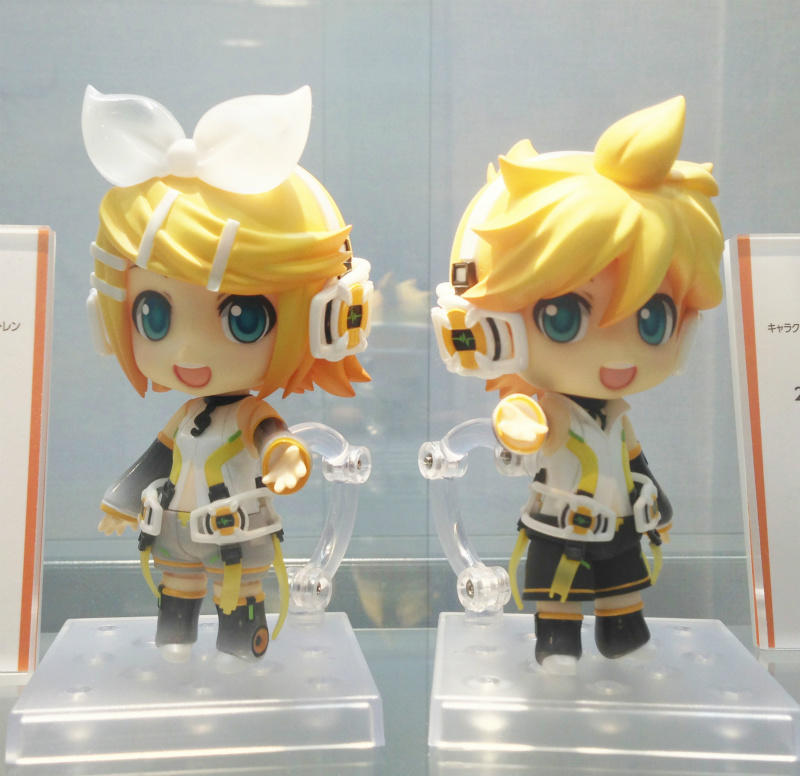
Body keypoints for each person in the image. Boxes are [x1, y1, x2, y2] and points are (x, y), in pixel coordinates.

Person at [432, 96, 723, 671]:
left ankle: (621, 631)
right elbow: (521, 422)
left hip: (620, 526)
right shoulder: (550, 408)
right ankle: (557, 641)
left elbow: (634, 461)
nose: (618, 351)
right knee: (558, 603)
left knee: (623, 600)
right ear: (489, 330)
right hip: (560, 524)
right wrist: (518, 422)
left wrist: (656, 496)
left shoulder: (617, 416)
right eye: (563, 316)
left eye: (652, 318)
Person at [83, 86, 371, 660]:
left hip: (234, 536)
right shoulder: (186, 416)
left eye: (243, 318)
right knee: (175, 609)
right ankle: (176, 650)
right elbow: (159, 457)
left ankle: (242, 654)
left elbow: (273, 437)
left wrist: (284, 457)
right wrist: (123, 500)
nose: (189, 350)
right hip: (174, 533)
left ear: (324, 320)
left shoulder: (247, 414)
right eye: (154, 315)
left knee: (238, 609)